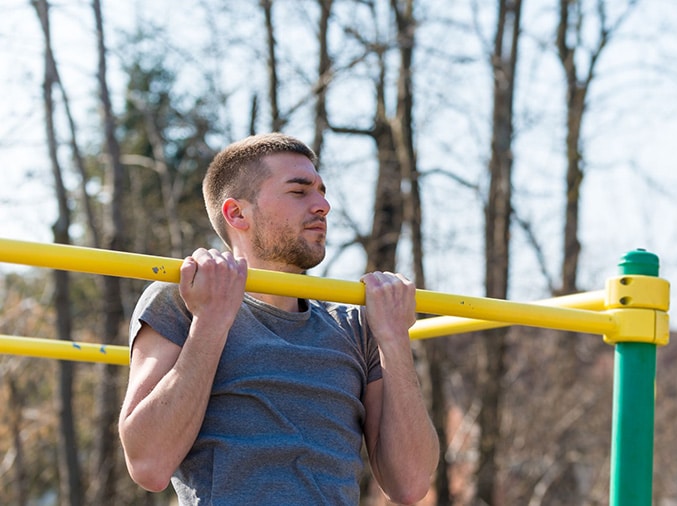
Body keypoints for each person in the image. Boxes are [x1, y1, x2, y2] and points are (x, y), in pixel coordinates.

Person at [118, 133, 439, 505]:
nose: (323, 205)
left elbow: (411, 484)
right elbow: (148, 465)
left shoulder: (355, 326)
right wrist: (210, 322)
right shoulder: (184, 299)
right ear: (237, 213)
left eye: (321, 190)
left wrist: (395, 340)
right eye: (299, 191)